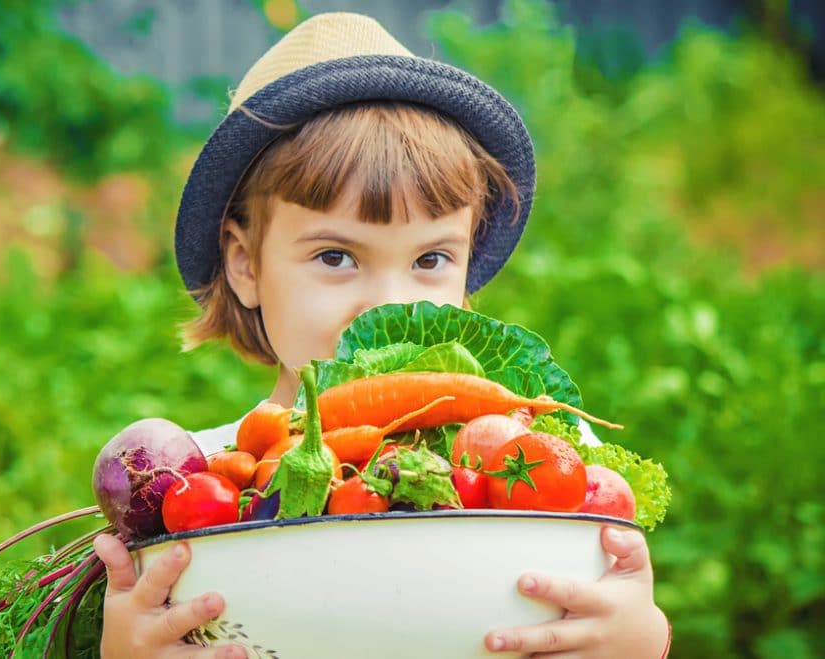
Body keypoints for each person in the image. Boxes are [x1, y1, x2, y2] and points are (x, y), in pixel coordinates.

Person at [93, 12, 671, 659]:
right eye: (337, 256)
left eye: (429, 260)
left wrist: (638, 638)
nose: (389, 302)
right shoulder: (189, 485)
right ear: (246, 264)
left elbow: (604, 610)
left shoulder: (543, 459)